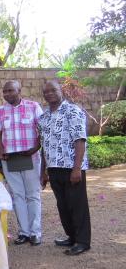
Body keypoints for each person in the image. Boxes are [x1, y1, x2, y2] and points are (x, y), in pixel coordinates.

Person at [38, 80, 91, 255]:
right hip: (53, 168)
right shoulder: (44, 117)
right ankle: (72, 237)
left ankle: (82, 241)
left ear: (61, 91)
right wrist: (44, 172)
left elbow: (80, 140)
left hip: (71, 167)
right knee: (63, 206)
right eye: (46, 91)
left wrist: (77, 169)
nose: (49, 93)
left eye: (53, 90)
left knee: (77, 205)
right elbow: (44, 145)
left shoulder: (73, 111)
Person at [0, 80, 44, 246]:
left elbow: (43, 131)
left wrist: (35, 148)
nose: (7, 94)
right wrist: (1, 153)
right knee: (17, 196)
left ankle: (35, 232)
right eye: (5, 91)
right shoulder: (0, 111)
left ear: (19, 90)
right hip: (11, 160)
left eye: (10, 90)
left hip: (30, 158)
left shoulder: (33, 106)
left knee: (33, 195)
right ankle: (24, 232)